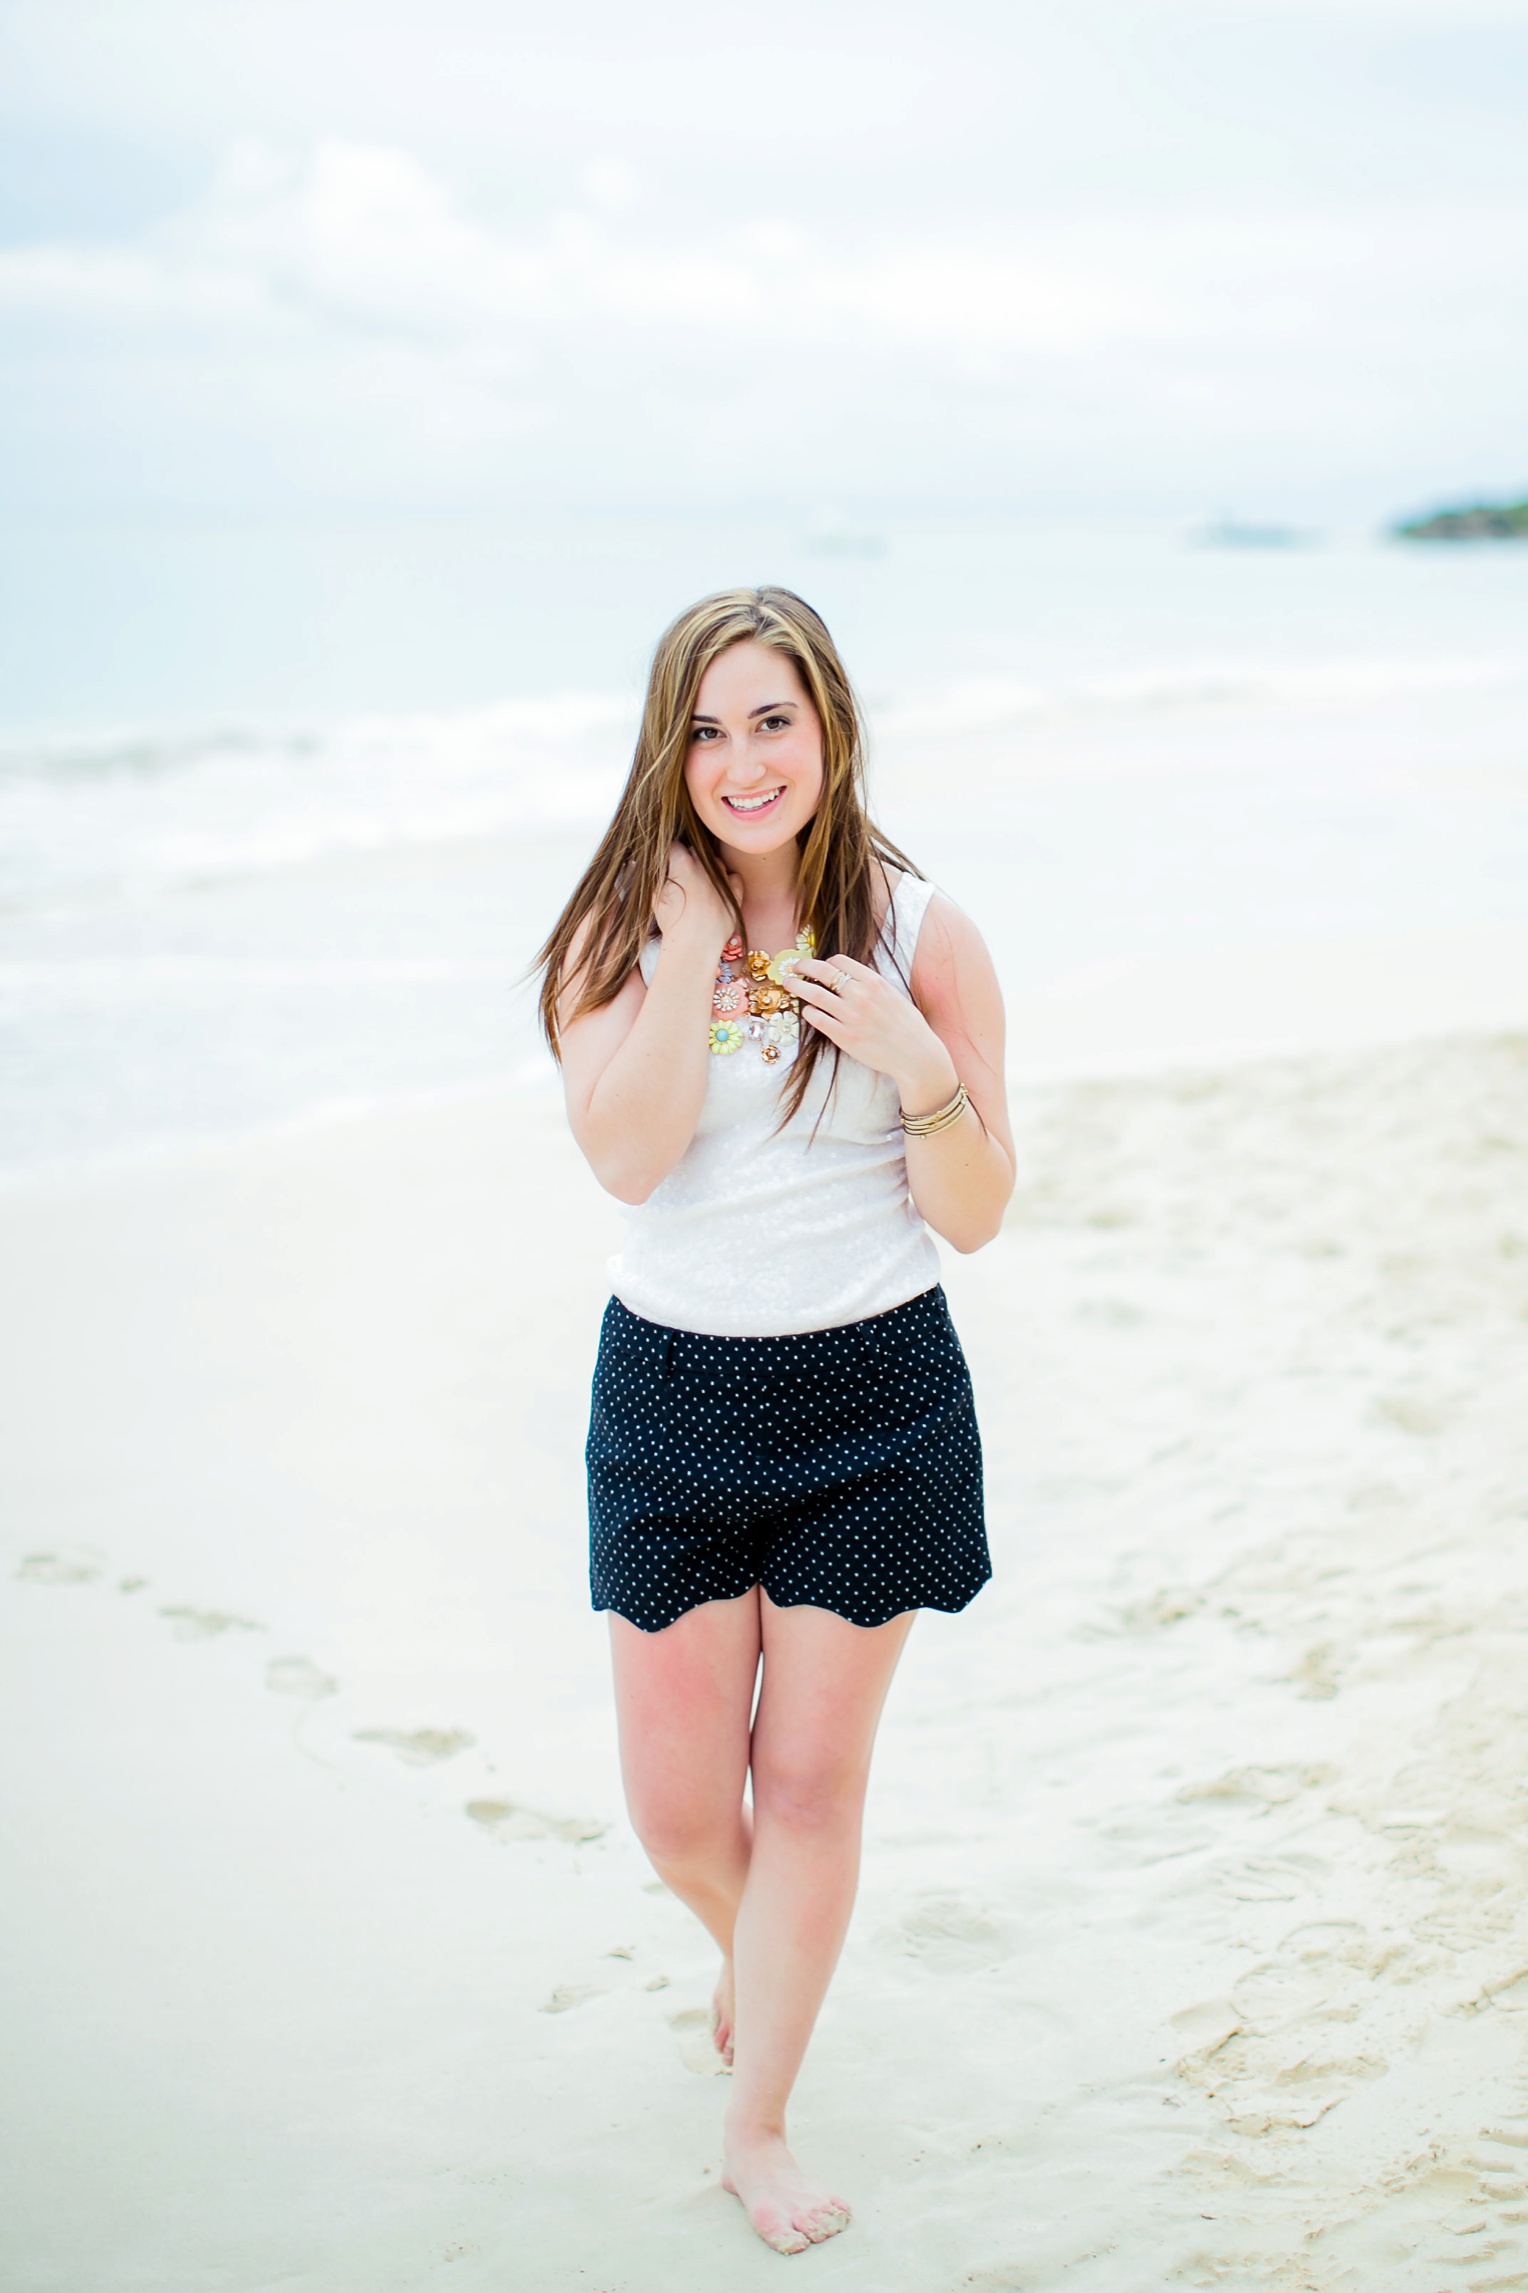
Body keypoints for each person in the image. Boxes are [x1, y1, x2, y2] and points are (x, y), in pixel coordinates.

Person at [537, 585, 1014, 2257]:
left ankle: (759, 2122)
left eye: (774, 721)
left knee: (806, 1788)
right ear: (670, 745)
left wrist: (911, 1058)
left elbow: (976, 1207)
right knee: (682, 1809)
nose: (744, 760)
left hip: (874, 1388)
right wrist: (681, 951)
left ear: (828, 728)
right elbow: (627, 1157)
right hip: (671, 1389)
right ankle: (765, 1960)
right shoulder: (610, 933)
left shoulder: (919, 929)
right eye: (709, 725)